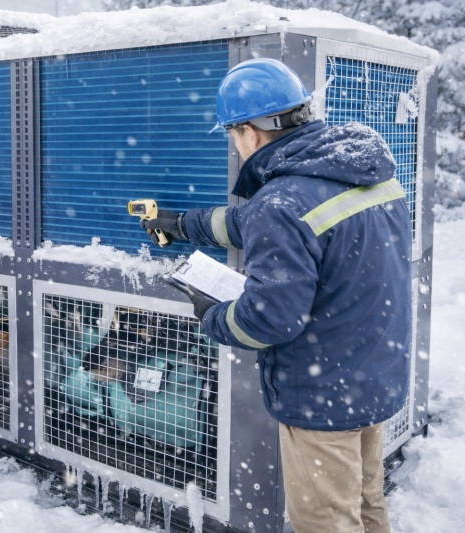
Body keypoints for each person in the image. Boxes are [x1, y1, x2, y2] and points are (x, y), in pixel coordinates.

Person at [141, 58, 411, 533]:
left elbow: (269, 321)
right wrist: (181, 224)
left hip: (322, 395)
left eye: (231, 132)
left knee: (327, 522)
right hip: (373, 372)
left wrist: (213, 315)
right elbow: (256, 223)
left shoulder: (281, 200)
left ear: (248, 131)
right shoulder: (359, 169)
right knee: (366, 505)